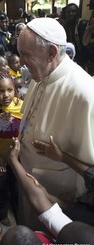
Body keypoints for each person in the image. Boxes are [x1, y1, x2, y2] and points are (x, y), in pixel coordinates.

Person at [17, 17, 94, 228]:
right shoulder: (40, 73)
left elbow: (89, 167)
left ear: (51, 53)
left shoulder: (85, 93)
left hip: (56, 192)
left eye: (25, 54)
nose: (21, 61)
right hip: (27, 175)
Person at [62, 3, 88, 68]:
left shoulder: (82, 23)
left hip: (81, 56)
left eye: (73, 11)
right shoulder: (65, 24)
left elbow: (86, 43)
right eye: (68, 12)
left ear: (77, 12)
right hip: (69, 55)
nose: (71, 14)